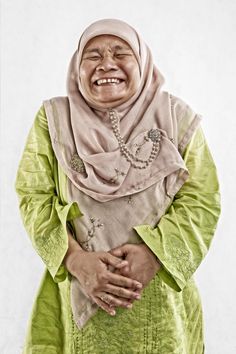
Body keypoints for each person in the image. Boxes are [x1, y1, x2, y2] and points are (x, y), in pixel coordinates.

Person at [15, 18, 221, 354]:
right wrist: (76, 260)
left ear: (142, 61)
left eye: (120, 53)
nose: (106, 65)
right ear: (76, 68)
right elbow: (32, 195)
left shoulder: (176, 118)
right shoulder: (53, 120)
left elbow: (202, 199)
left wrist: (155, 255)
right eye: (92, 56)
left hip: (160, 303)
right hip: (77, 293)